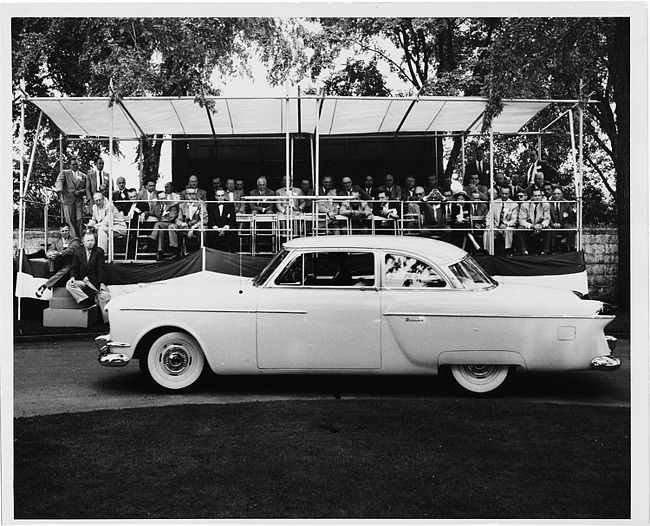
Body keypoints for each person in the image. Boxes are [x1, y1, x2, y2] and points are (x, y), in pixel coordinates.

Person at [66, 230, 111, 325]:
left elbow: (101, 268)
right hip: (82, 281)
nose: (90, 243)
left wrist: (102, 283)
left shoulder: (99, 251)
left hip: (94, 282)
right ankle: (87, 302)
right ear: (83, 242)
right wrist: (73, 277)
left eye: (92, 240)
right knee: (69, 285)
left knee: (105, 296)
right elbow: (74, 266)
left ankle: (107, 323)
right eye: (88, 241)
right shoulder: (78, 251)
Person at [35, 225, 82, 297]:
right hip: (57, 264)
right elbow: (50, 249)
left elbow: (71, 250)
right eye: (62, 231)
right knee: (52, 255)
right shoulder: (57, 241)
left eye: (66, 231)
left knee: (66, 269)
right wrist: (49, 254)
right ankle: (52, 272)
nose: (64, 233)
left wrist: (59, 253)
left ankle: (44, 286)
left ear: (69, 231)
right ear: (60, 232)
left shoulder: (75, 240)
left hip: (70, 263)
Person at [54, 155, 86, 238]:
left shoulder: (83, 176)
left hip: (78, 200)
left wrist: (81, 191)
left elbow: (87, 188)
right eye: (73, 164)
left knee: (79, 219)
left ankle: (80, 237)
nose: (75, 166)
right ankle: (74, 238)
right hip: (68, 199)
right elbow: (60, 181)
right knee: (69, 220)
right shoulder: (64, 173)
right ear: (70, 165)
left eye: (76, 164)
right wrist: (59, 190)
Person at [484, 187, 519, 256]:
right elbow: (488, 217)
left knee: (508, 230)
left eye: (506, 194)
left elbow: (514, 220)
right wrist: (489, 225)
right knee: (487, 230)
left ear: (509, 194)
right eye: (502, 193)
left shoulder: (514, 204)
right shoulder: (494, 203)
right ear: (500, 193)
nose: (504, 195)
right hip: (495, 226)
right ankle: (488, 251)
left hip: (507, 226)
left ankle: (507, 250)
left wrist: (506, 224)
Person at [172, 188, 207, 255]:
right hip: (186, 226)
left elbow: (204, 220)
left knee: (202, 231)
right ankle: (178, 253)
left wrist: (193, 228)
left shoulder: (201, 204)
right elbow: (179, 219)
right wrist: (181, 223)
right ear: (186, 195)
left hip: (197, 226)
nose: (191, 196)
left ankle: (201, 252)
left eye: (193, 194)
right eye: (189, 194)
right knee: (176, 230)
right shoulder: (182, 205)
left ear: (195, 195)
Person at [517, 188, 551, 255]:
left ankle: (545, 251)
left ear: (541, 196)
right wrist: (532, 226)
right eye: (535, 196)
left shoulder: (546, 205)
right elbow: (521, 220)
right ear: (532, 197)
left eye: (539, 196)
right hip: (529, 226)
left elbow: (547, 219)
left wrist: (541, 225)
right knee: (520, 229)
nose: (537, 197)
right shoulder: (524, 205)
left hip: (540, 226)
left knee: (549, 229)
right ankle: (524, 251)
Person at [148, 190, 180, 260]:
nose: (163, 200)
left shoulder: (172, 205)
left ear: (166, 196)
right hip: (162, 226)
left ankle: (150, 242)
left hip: (171, 224)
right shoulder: (157, 206)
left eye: (164, 198)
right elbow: (151, 212)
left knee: (158, 224)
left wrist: (162, 219)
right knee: (160, 230)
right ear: (158, 199)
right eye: (161, 199)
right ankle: (160, 252)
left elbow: (171, 218)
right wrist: (143, 214)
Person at [549, 187, 576, 252]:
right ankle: (551, 249)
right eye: (555, 194)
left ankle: (570, 249)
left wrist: (574, 210)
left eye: (558, 194)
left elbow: (570, 218)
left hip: (563, 224)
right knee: (550, 230)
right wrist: (553, 224)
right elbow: (547, 216)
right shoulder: (548, 203)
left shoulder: (566, 203)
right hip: (552, 224)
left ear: (562, 194)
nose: (556, 196)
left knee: (571, 230)